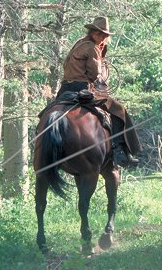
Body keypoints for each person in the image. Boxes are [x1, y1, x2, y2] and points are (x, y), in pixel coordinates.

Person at [57, 17, 142, 165]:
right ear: (92, 33)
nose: (102, 37)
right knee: (118, 110)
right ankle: (119, 149)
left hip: (65, 88)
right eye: (99, 34)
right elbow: (94, 74)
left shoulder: (79, 43)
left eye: (104, 35)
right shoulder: (92, 47)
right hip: (82, 88)